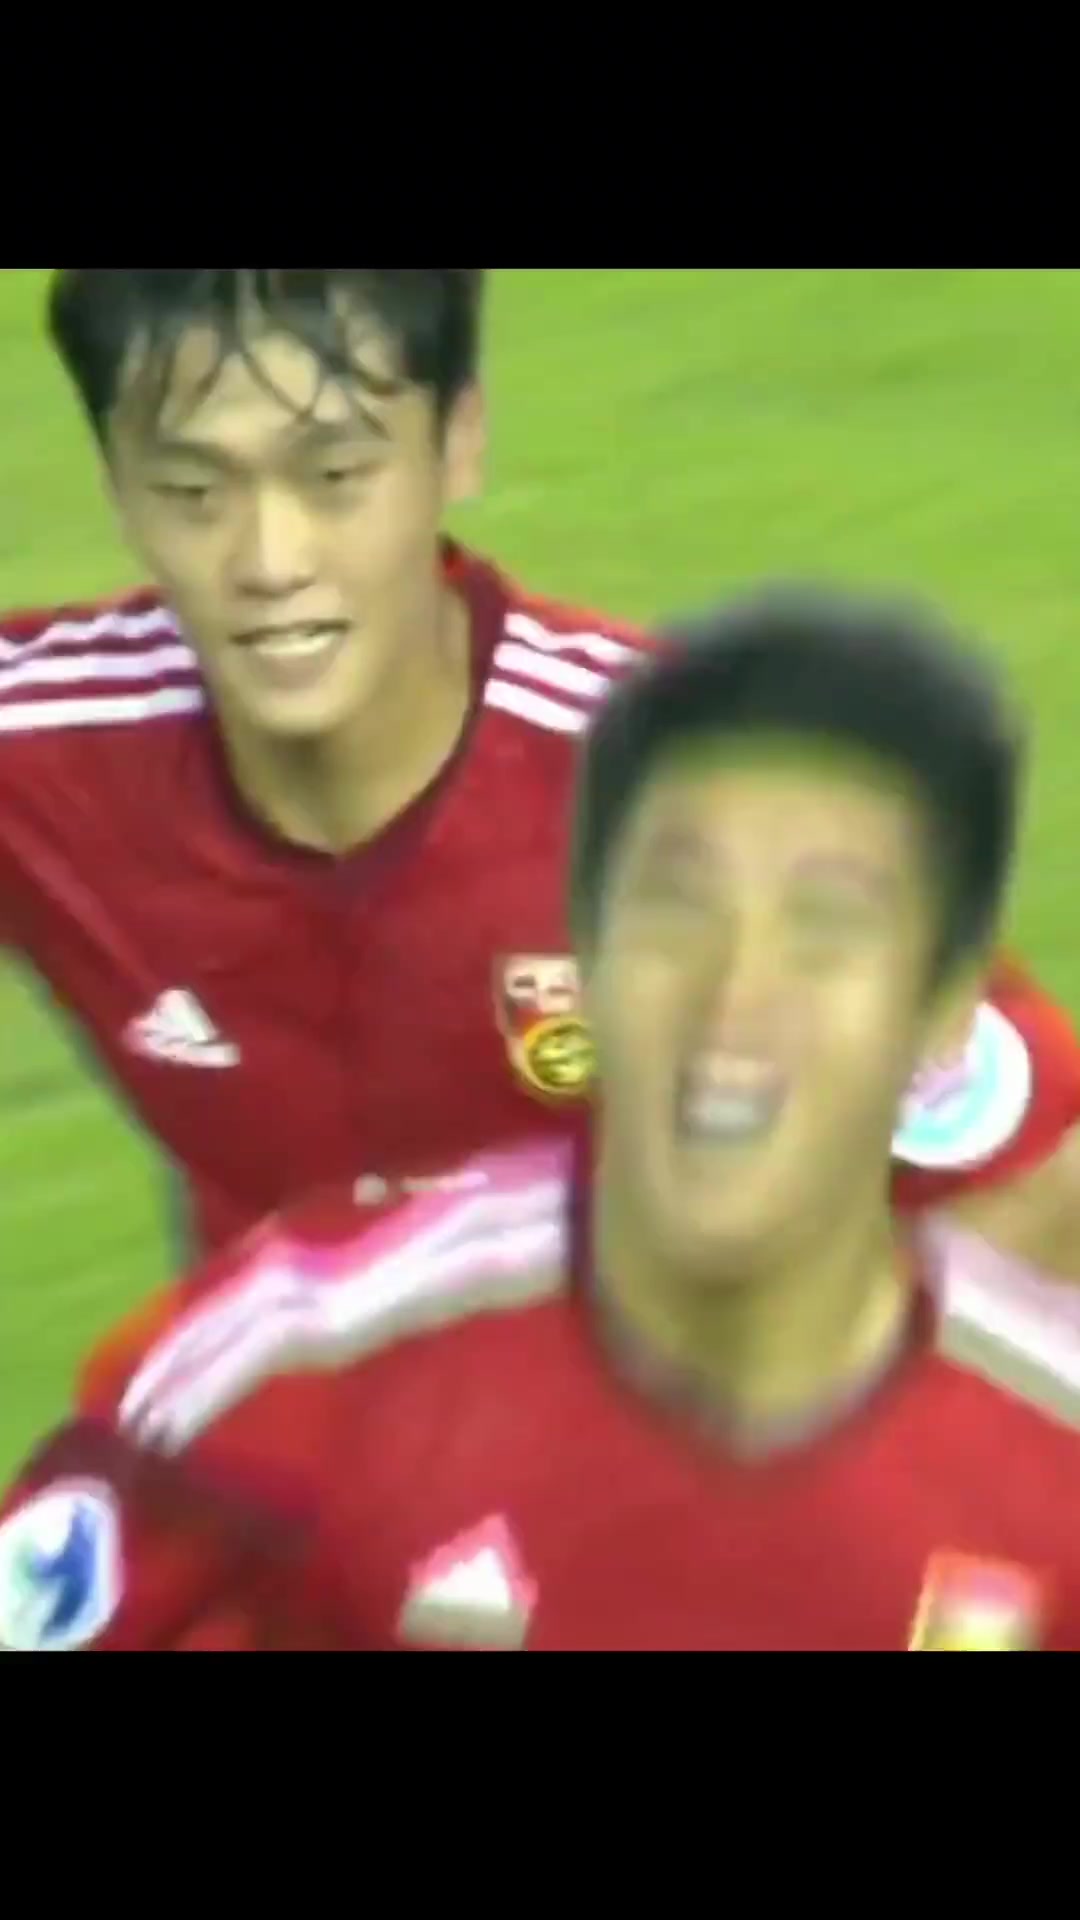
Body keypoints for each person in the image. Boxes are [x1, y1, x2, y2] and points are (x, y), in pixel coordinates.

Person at [6, 584, 1080, 1653]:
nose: (736, 996)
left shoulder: (1044, 1447)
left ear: (949, 1007)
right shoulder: (297, 1364)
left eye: (825, 929)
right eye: (679, 912)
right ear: (587, 952)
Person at [0, 268, 1078, 1277]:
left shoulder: (699, 785)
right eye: (194, 490)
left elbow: (1042, 1173)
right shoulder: (52, 745)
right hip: (286, 1405)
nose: (271, 563)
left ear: (458, 442)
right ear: (119, 490)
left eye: (336, 477)